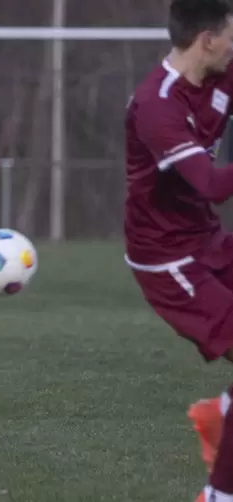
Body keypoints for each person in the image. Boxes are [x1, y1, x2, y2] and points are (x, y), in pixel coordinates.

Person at [123, 1, 233, 499]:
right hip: (167, 261)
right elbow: (209, 183)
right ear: (208, 39)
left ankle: (222, 413)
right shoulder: (157, 104)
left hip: (207, 240)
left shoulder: (220, 73)